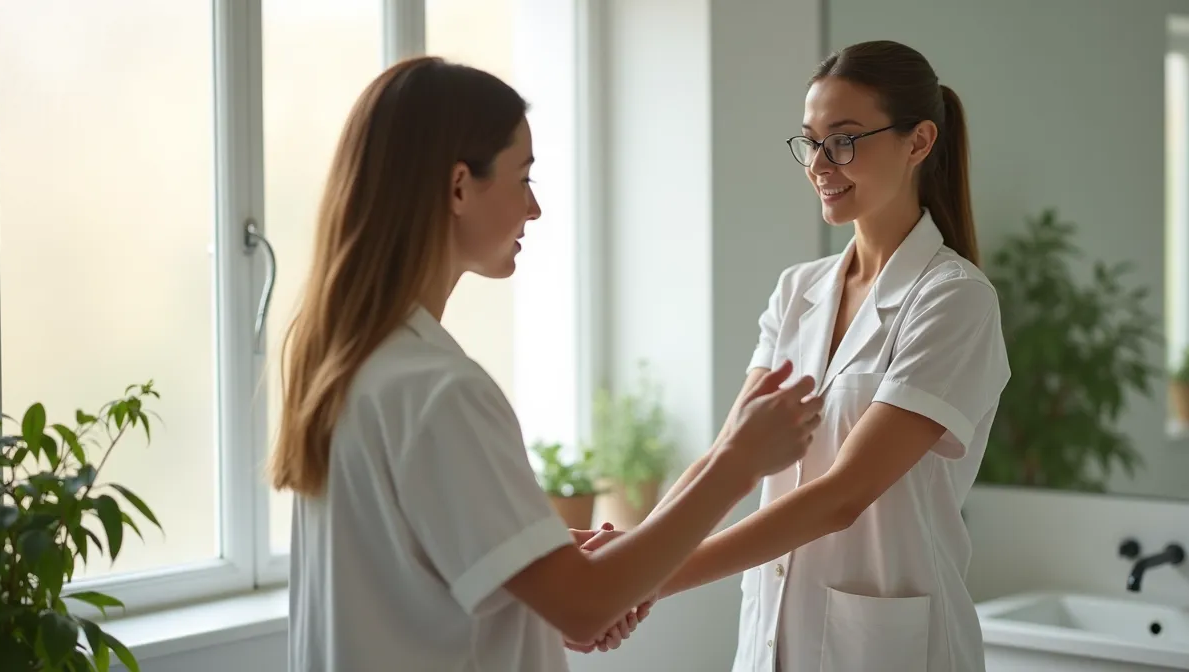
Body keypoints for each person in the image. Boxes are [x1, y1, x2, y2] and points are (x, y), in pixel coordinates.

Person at [268, 56, 825, 672]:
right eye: (523, 177)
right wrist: (739, 463)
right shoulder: (439, 391)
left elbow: (408, 566)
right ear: (459, 187)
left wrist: (540, 552)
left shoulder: (355, 367)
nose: (533, 209)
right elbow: (583, 608)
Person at [583, 40, 1011, 671]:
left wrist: (642, 578)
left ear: (919, 142)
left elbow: (843, 495)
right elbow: (726, 455)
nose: (819, 164)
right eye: (810, 141)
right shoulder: (798, 291)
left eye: (844, 140)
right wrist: (634, 553)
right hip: (770, 640)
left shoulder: (955, 300)